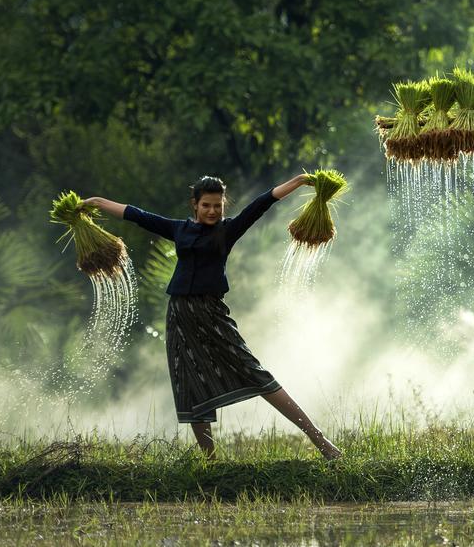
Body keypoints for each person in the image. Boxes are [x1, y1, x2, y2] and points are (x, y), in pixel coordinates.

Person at [84, 175, 341, 460]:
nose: (212, 211)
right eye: (206, 205)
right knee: (189, 380)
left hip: (211, 312)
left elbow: (262, 203)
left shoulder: (228, 230)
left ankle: (321, 441)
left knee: (253, 371)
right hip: (179, 314)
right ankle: (211, 461)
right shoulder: (179, 229)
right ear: (195, 205)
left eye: (217, 206)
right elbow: (137, 215)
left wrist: (300, 181)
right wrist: (97, 202)